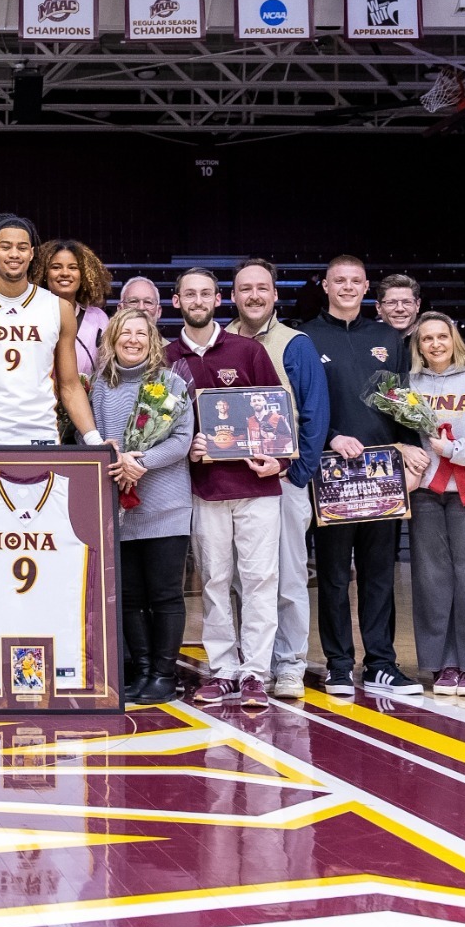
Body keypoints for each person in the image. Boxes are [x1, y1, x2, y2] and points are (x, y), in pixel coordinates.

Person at [302, 254, 429, 698]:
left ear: (365, 287)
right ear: (326, 286)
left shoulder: (387, 338)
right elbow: (302, 406)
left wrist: (411, 455)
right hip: (332, 476)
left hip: (382, 476)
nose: (347, 287)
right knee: (335, 576)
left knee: (379, 575)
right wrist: (330, 437)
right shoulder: (305, 337)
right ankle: (339, 665)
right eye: (339, 280)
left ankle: (381, 664)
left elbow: (403, 403)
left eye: (355, 280)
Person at [168, 269, 288, 709]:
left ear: (218, 300)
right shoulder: (168, 358)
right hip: (205, 487)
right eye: (189, 294)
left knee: (260, 580)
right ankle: (222, 670)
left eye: (206, 293)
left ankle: (255, 672)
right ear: (177, 302)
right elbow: (161, 427)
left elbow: (276, 414)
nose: (198, 301)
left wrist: (280, 461)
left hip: (257, 486)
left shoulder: (248, 350)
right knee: (214, 581)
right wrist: (188, 449)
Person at [225, 258, 330, 700]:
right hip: (233, 484)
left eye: (262, 288)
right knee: (239, 579)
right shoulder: (220, 342)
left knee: (287, 578)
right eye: (245, 289)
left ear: (274, 294)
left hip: (282, 482)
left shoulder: (295, 344)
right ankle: (253, 664)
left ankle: (289, 664)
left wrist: (294, 472)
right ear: (233, 296)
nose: (254, 296)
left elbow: (315, 414)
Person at [89, 307, 192, 704]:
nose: (133, 340)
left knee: (165, 594)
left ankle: (165, 675)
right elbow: (89, 434)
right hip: (120, 508)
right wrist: (110, 456)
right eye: (125, 333)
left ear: (152, 342)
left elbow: (181, 440)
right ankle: (144, 670)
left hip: (166, 506)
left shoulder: (170, 383)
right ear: (112, 339)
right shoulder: (101, 386)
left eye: (141, 334)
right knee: (129, 596)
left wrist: (140, 461)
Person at [0, 213, 102, 448]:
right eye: (6, 247)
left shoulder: (58, 308)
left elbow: (70, 386)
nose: (14, 254)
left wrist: (95, 441)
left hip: (41, 437)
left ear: (32, 253)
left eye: (22, 247)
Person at [407, 311, 465, 699]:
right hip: (425, 492)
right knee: (431, 580)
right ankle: (442, 664)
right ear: (418, 346)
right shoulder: (410, 383)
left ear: (454, 339)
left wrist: (455, 449)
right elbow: (405, 435)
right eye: (427, 338)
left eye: (441, 337)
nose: (435, 344)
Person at [28, 239, 112, 380]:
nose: (65, 273)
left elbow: (108, 368)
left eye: (73, 267)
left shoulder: (98, 318)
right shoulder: (29, 315)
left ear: (83, 274)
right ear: (44, 274)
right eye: (56, 267)